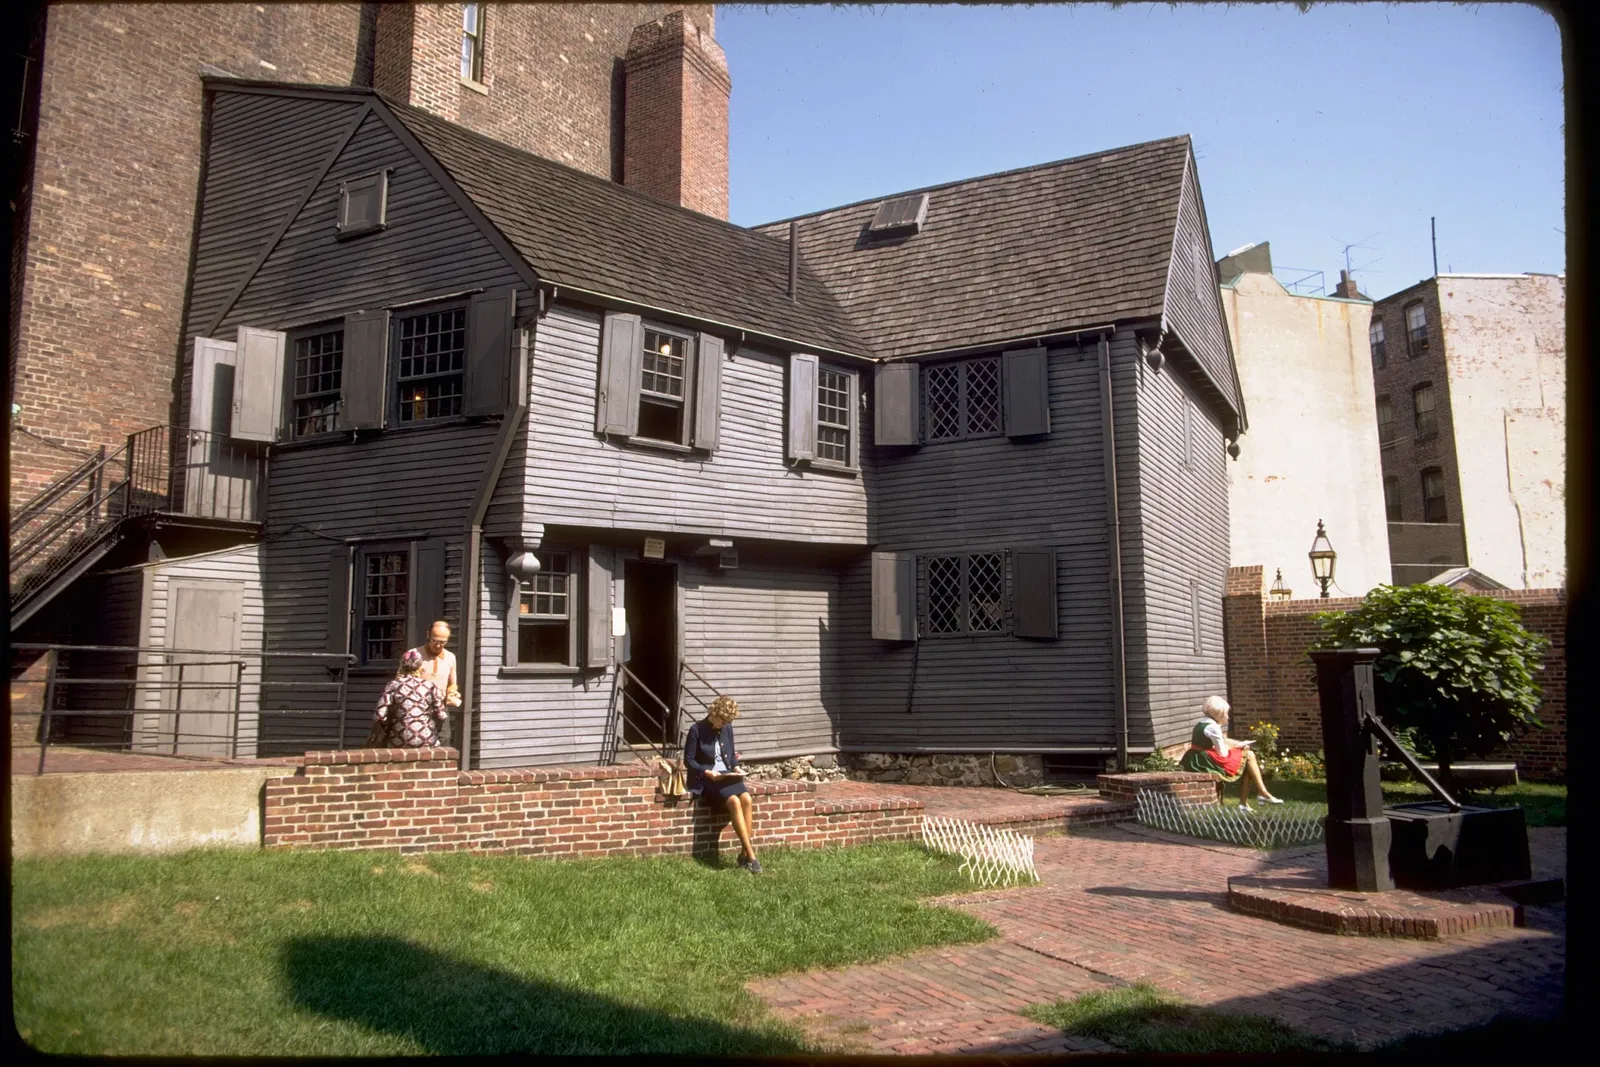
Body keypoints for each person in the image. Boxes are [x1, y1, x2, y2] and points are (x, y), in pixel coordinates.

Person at [683, 695, 761, 873]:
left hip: (727, 775)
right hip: (707, 778)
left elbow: (731, 755)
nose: (724, 725)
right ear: (715, 713)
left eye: (728, 722)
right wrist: (707, 772)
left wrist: (736, 768)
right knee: (734, 801)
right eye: (723, 721)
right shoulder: (696, 730)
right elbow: (688, 761)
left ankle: (743, 854)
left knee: (747, 799)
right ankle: (751, 856)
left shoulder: (727, 728)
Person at [1178, 695, 1283, 810]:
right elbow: (1222, 754)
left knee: (1247, 759)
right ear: (1219, 713)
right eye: (1226, 714)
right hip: (1203, 760)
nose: (1228, 717)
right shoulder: (1214, 728)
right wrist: (1238, 749)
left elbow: (1220, 741)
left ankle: (1248, 801)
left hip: (1195, 757)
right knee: (1249, 755)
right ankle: (1260, 793)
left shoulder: (1203, 723)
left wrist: (1238, 744)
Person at [373, 649, 447, 747]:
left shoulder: (393, 685)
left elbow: (379, 715)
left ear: (402, 666)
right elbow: (441, 715)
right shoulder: (430, 686)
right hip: (427, 739)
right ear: (420, 667)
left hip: (398, 738)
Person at [406, 621, 461, 710]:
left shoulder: (450, 657)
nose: (438, 645)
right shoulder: (413, 654)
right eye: (434, 641)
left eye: (442, 642)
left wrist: (452, 694)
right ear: (428, 635)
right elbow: (401, 682)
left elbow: (452, 684)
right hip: (416, 710)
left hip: (440, 709)